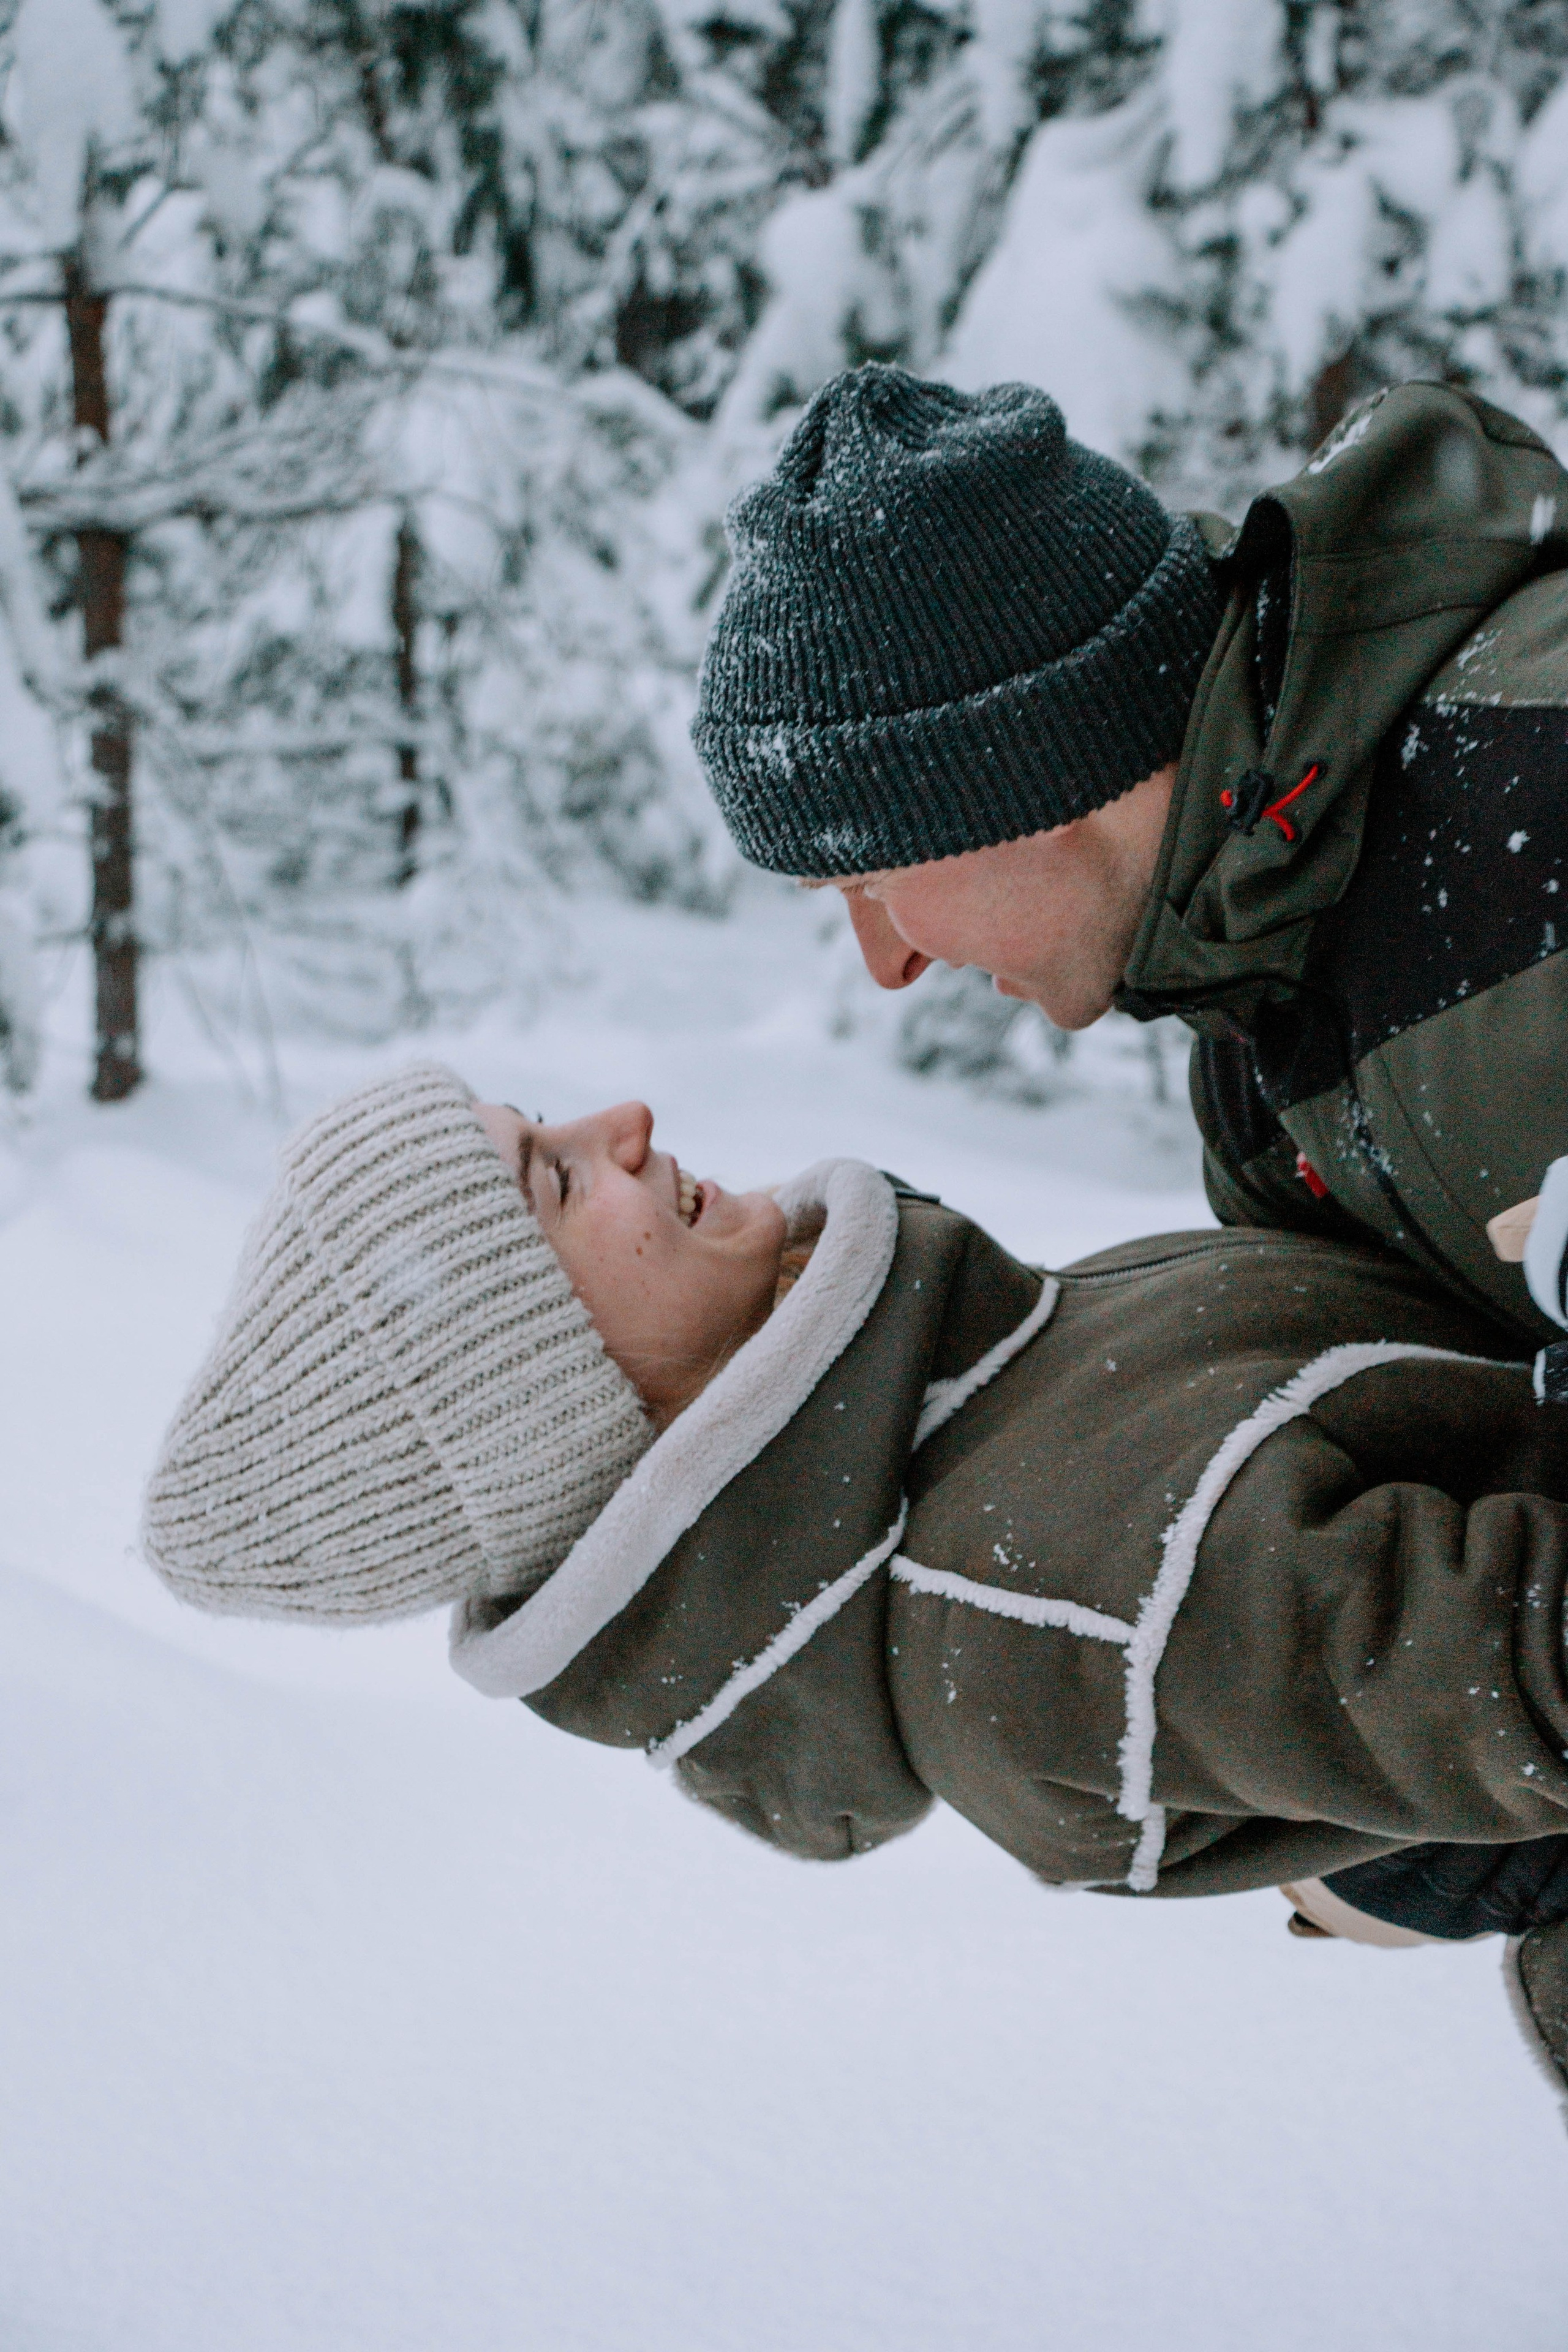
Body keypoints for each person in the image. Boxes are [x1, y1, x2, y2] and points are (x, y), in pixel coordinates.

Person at [143, 1064, 1568, 2105]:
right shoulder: (1030, 1609)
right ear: (547, 1401)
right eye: (557, 1180)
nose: (622, 1121)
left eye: (548, 1123)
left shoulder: (967, 1387)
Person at [689, 363, 1568, 1351]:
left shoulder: (1531, 778)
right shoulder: (1258, 1067)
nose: (889, 964)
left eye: (870, 881)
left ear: (1024, 780)